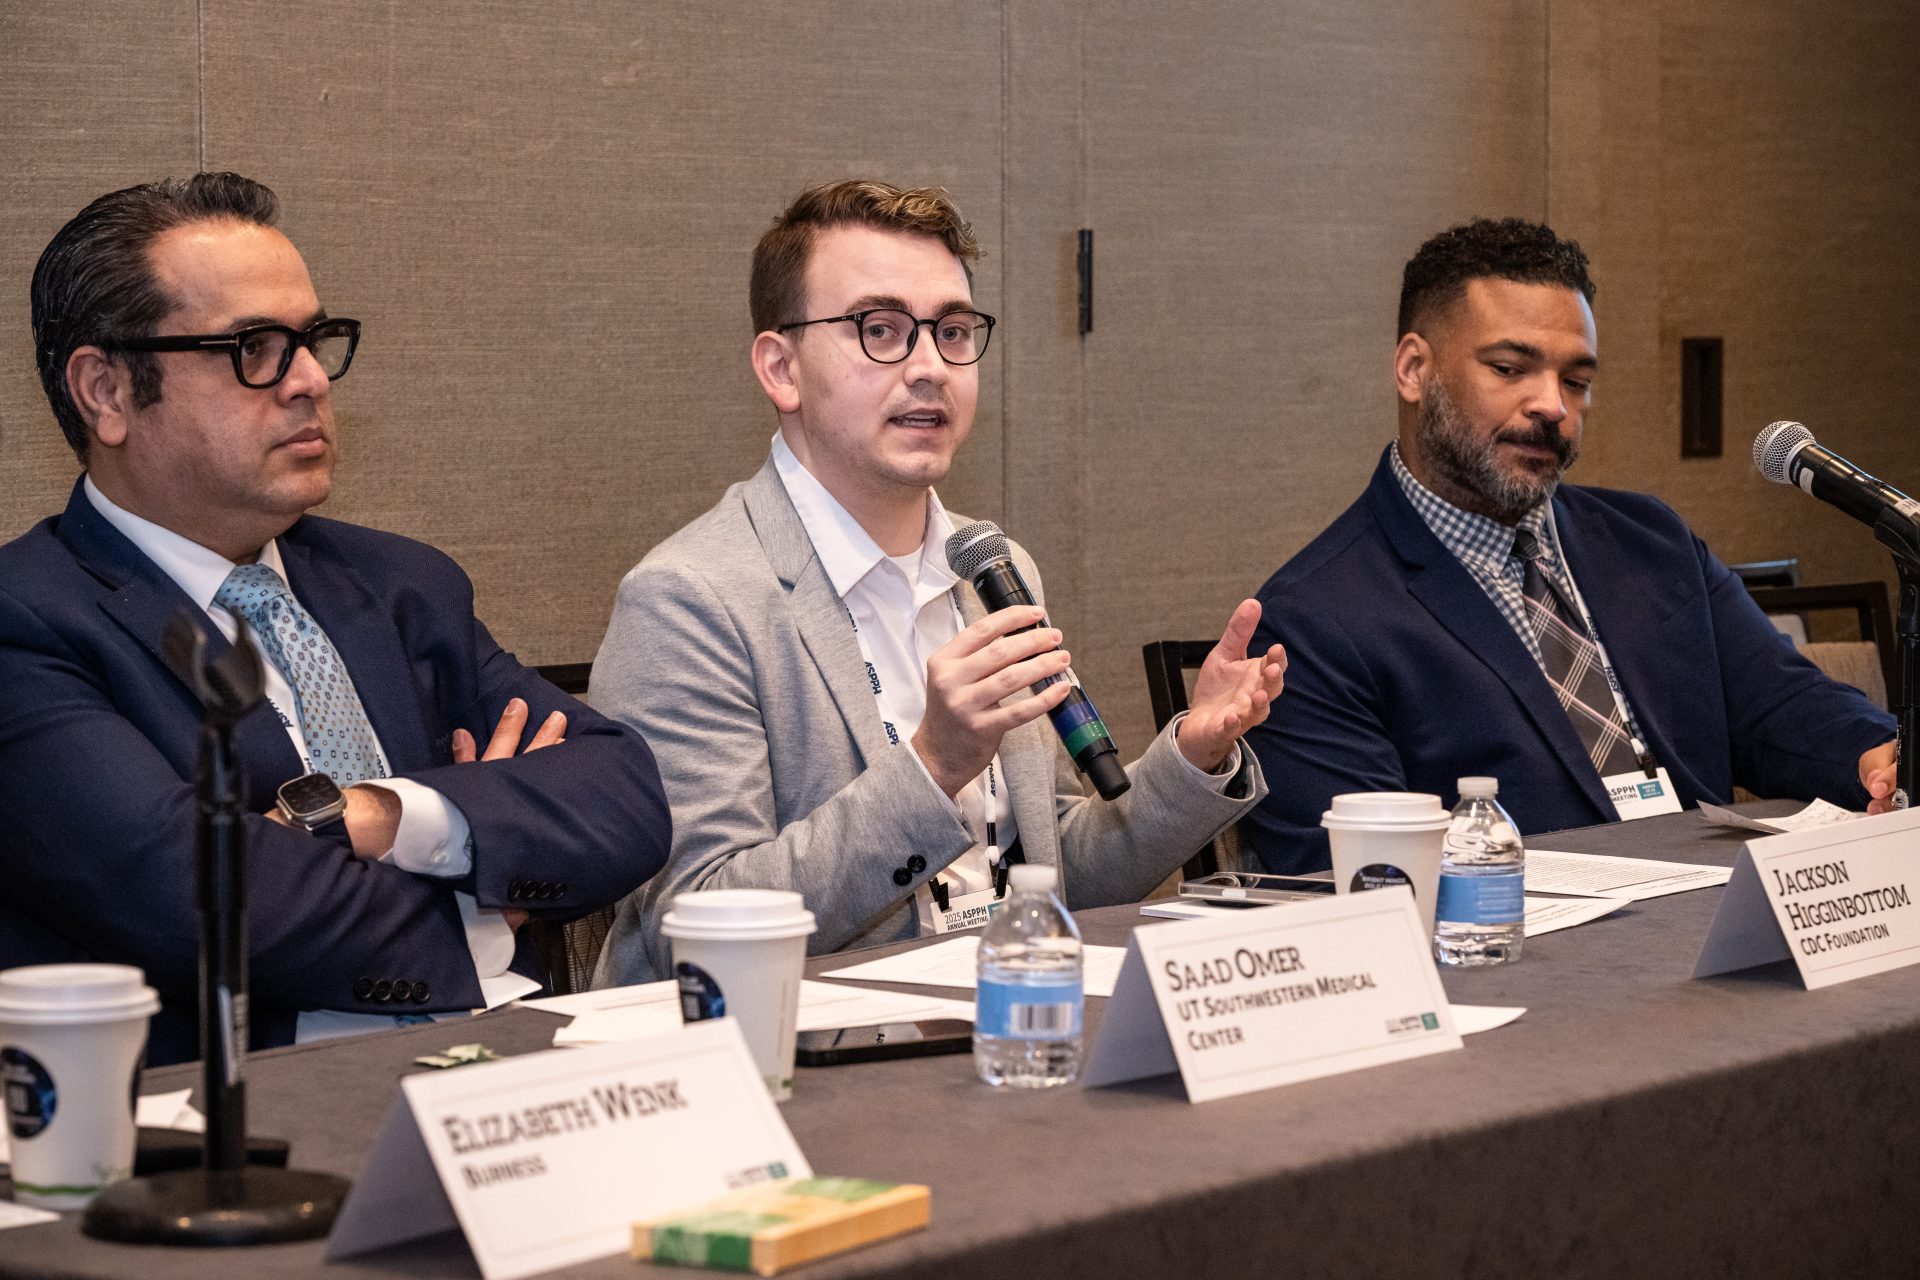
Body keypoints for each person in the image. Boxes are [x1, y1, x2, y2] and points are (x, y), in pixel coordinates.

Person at [0, 174, 672, 1063]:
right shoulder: (29, 621)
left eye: (313, 340)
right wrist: (480, 888)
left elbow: (625, 798)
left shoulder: (400, 584)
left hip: (503, 1082)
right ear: (108, 392)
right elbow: (215, 905)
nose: (311, 380)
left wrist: (385, 815)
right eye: (255, 348)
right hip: (220, 1132)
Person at [590, 180, 1286, 982]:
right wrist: (933, 765)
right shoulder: (690, 600)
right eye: (880, 330)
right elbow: (699, 926)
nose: (930, 368)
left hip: (993, 1026)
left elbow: (1057, 876)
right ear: (781, 369)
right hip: (794, 1069)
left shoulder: (993, 569)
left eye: (952, 332)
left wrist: (1190, 758)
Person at [1241, 217, 1897, 874]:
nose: (1553, 405)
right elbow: (1361, 883)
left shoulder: (1649, 540)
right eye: (1509, 368)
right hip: (1523, 959)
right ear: (1415, 369)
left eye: (1576, 381)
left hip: (1716, 923)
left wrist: (1876, 759)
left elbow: (1780, 705)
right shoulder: (1314, 620)